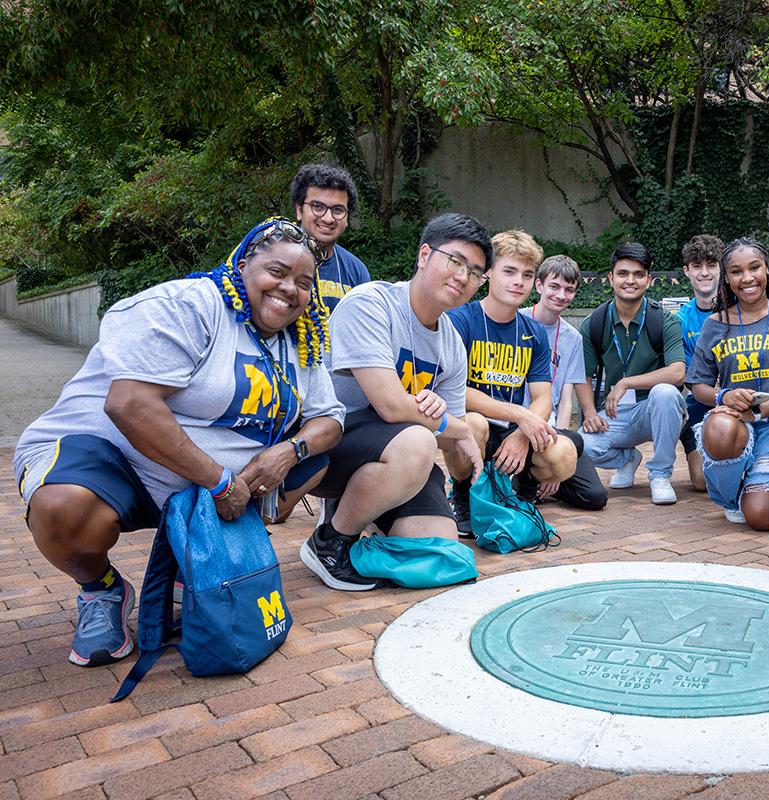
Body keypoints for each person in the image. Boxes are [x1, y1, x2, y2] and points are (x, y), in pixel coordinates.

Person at [14, 218, 345, 666]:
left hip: (213, 484)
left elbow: (330, 419)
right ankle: (101, 590)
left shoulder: (301, 338)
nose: (290, 289)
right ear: (243, 264)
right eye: (277, 272)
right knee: (63, 509)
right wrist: (221, 482)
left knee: (316, 462)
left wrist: (288, 451)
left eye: (304, 282)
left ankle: (195, 564)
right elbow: (129, 405)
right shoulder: (189, 305)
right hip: (114, 457)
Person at [301, 213, 489, 592]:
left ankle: (361, 509)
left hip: (394, 453)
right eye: (455, 261)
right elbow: (391, 407)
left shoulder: (451, 343)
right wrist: (461, 426)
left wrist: (461, 455)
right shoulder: (371, 303)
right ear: (424, 255)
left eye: (475, 272)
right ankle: (331, 541)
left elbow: (445, 440)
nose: (462, 277)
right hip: (331, 446)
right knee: (416, 440)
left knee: (438, 547)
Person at [443, 231, 584, 537]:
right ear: (488, 273)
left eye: (527, 274)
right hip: (474, 426)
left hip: (511, 430)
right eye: (509, 271)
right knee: (474, 424)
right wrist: (519, 415)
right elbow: (454, 390)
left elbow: (543, 398)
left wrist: (523, 431)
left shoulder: (533, 332)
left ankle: (524, 491)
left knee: (565, 455)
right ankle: (463, 495)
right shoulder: (460, 320)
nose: (518, 281)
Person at [687, 238, 769, 530]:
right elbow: (698, 386)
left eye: (754, 268)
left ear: (767, 270)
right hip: (733, 422)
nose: (747, 278)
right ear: (726, 279)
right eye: (736, 272)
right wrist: (724, 396)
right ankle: (732, 497)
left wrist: (757, 412)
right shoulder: (715, 324)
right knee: (718, 427)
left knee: (761, 516)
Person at [579, 243, 687, 505]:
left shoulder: (665, 320)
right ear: (611, 278)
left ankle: (660, 474)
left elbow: (677, 373)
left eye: (639, 274)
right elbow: (584, 375)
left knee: (666, 393)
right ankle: (627, 458)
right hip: (616, 414)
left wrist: (626, 382)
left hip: (655, 410)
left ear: (649, 280)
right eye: (623, 273)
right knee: (580, 447)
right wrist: (591, 414)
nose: (630, 280)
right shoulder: (594, 323)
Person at [520, 254, 608, 510]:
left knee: (594, 496)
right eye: (554, 287)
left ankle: (539, 479)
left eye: (569, 290)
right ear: (539, 286)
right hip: (518, 427)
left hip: (550, 431)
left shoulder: (572, 338)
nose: (561, 295)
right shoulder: (516, 321)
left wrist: (557, 463)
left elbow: (565, 398)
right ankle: (527, 479)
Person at [675, 234, 724, 492]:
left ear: (721, 268)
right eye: (697, 266)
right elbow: (686, 376)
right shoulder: (679, 320)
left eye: (711, 265)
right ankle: (690, 435)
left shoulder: (740, 310)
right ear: (687, 271)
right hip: (701, 404)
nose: (704, 273)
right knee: (703, 482)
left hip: (740, 400)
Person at [291, 164, 370, 313]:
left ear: (347, 218)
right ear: (299, 211)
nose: (328, 218)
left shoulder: (357, 271)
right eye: (318, 207)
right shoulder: (276, 259)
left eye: (338, 210)